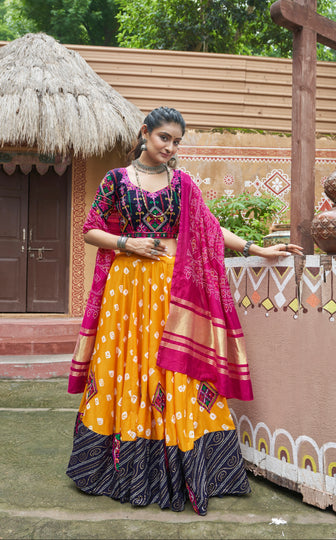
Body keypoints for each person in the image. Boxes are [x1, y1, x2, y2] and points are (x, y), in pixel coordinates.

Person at [66, 106, 303, 515]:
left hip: (172, 292)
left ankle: (187, 463)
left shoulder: (182, 184)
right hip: (127, 292)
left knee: (176, 371)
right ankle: (122, 467)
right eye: (164, 138)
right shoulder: (117, 179)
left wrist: (257, 248)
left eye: (176, 141)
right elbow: (90, 229)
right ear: (145, 133)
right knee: (128, 366)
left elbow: (210, 227)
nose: (170, 147)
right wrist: (128, 244)